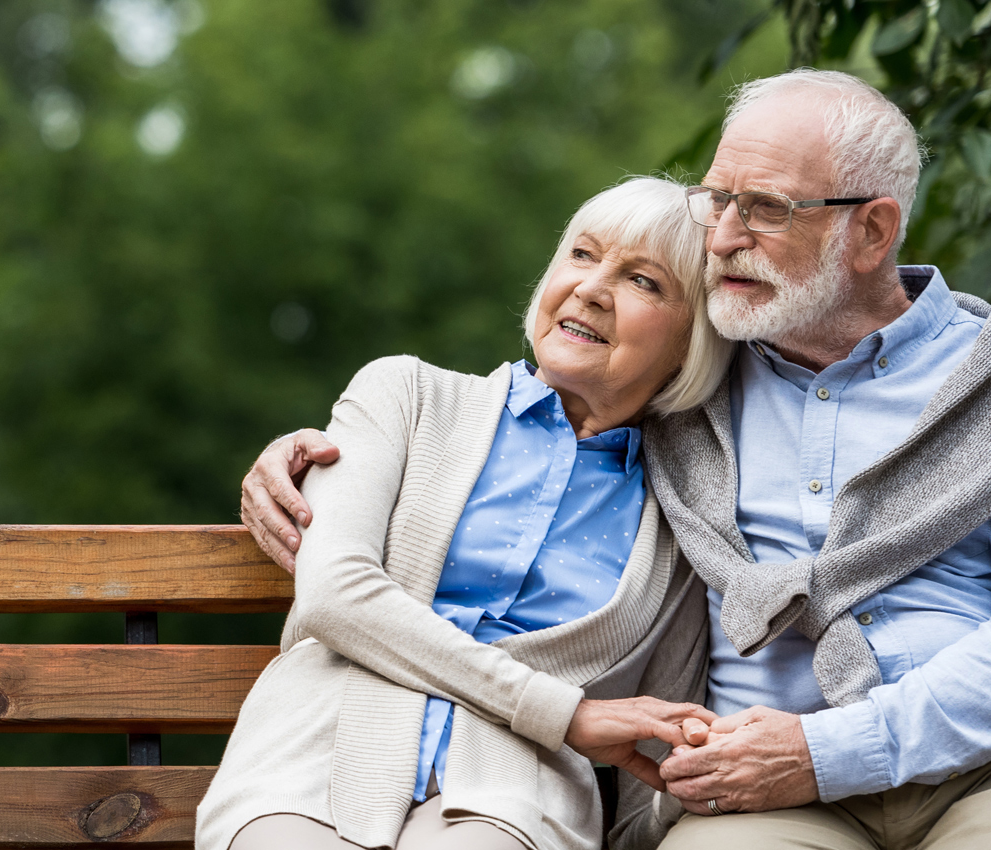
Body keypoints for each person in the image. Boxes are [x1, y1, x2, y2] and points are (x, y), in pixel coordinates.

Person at [240, 69, 991, 850]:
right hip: (756, 788)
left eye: (763, 210)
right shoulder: (695, 381)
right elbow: (554, 405)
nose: (720, 238)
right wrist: (314, 457)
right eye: (717, 201)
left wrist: (825, 751)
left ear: (873, 232)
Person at [197, 176, 737, 850]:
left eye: (644, 282)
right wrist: (564, 714)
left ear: (694, 340)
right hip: (313, 757)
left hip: (513, 803)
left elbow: (647, 776)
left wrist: (687, 788)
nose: (592, 289)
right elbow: (335, 594)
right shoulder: (405, 396)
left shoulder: (680, 518)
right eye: (581, 254)